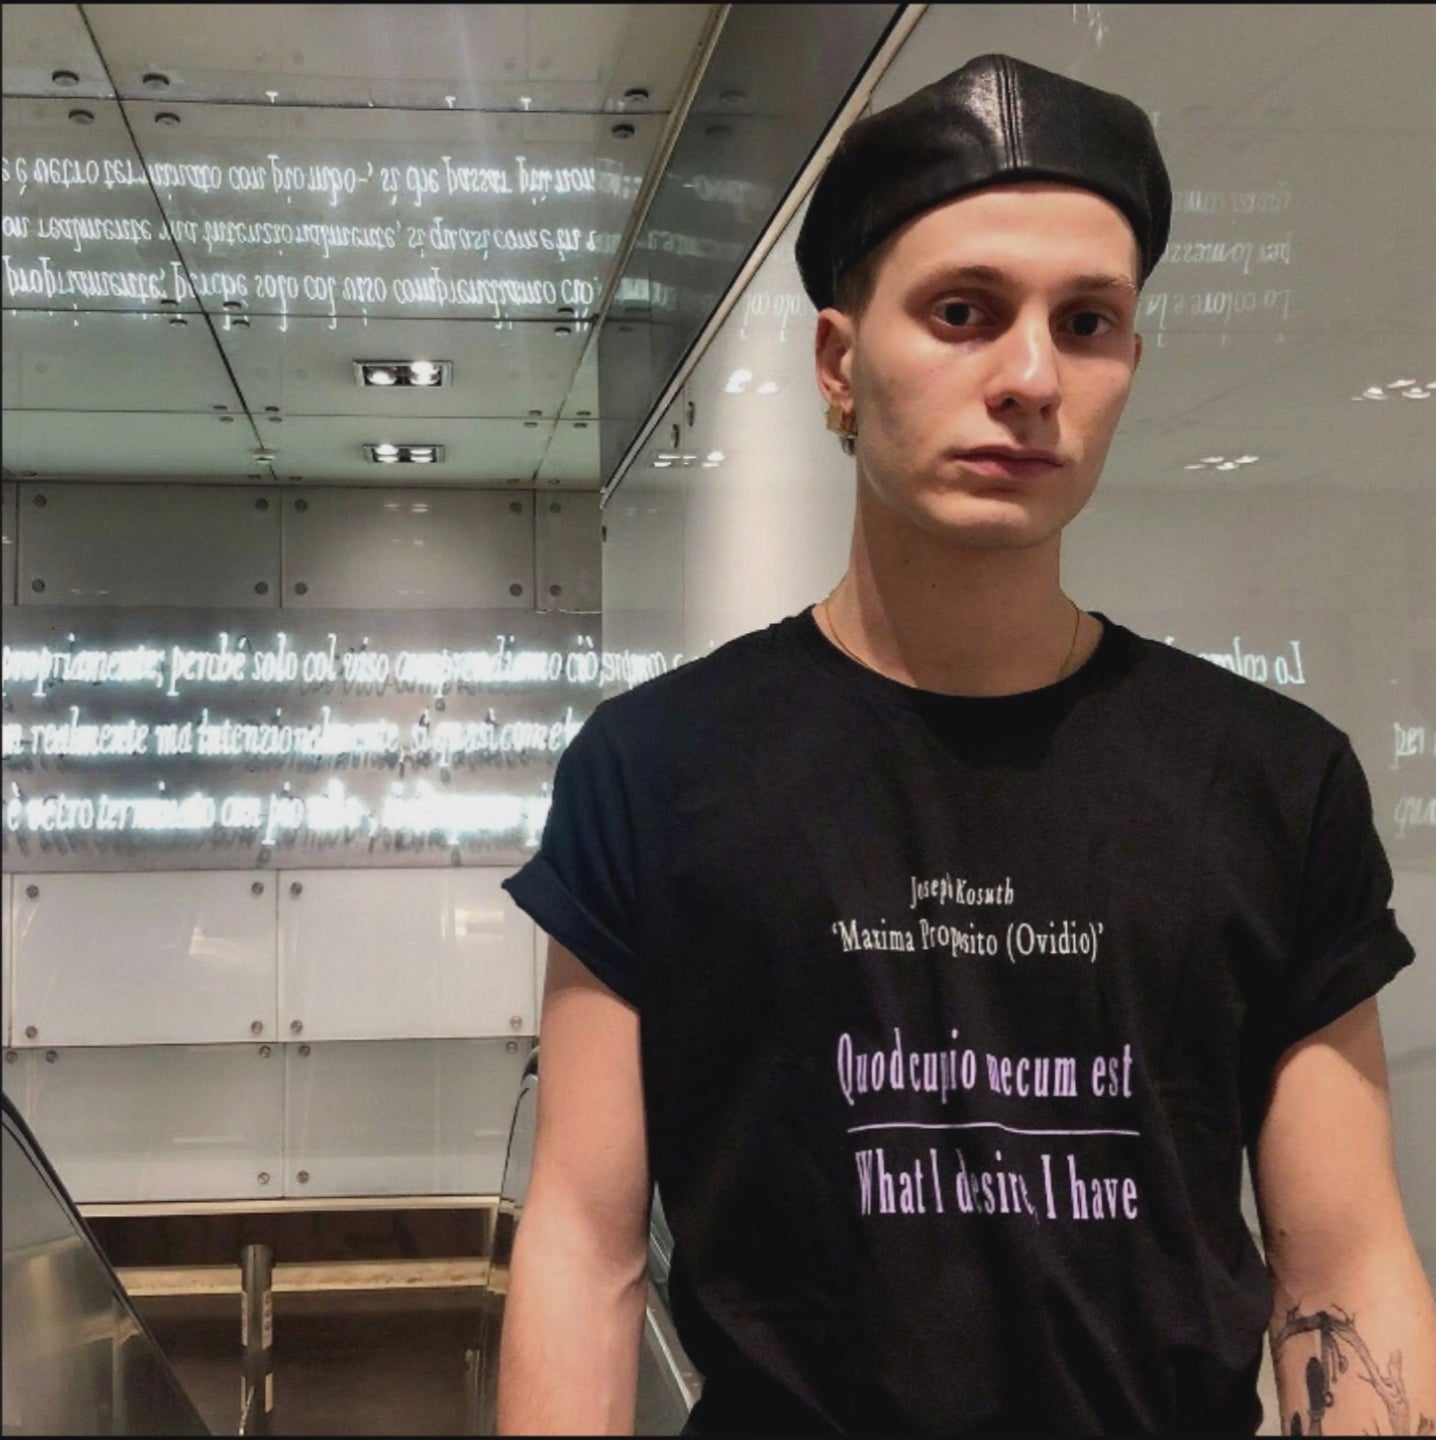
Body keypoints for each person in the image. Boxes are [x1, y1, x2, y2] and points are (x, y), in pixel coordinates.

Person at [497, 53, 1434, 1436]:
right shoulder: (655, 772)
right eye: (963, 312)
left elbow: (1342, 1271)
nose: (1033, 376)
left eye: (1089, 322)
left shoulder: (1273, 783)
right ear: (838, 362)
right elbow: (585, 1251)